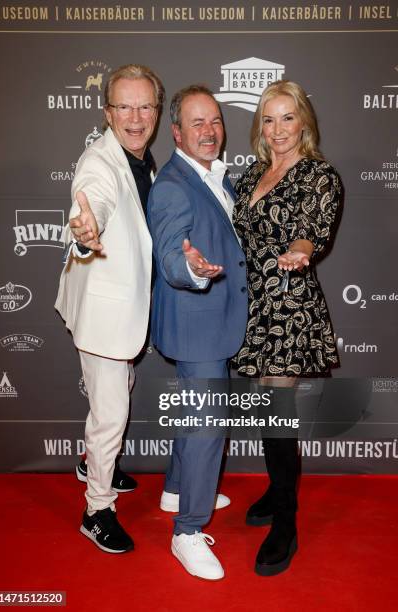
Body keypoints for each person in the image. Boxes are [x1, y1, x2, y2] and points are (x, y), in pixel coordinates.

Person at [232, 80, 341, 576]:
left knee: (276, 413)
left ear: (304, 122)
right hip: (251, 306)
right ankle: (278, 492)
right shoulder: (251, 173)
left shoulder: (320, 176)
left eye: (287, 118)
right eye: (268, 119)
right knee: (266, 411)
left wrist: (300, 250)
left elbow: (309, 232)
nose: (277, 130)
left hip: (289, 306)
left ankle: (286, 524)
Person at [55, 64, 164, 554]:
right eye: (124, 106)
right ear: (107, 112)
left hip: (121, 305)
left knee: (118, 392)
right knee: (111, 413)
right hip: (104, 310)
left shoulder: (143, 158)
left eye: (145, 106)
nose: (136, 117)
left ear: (157, 112)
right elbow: (92, 204)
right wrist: (85, 233)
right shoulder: (100, 162)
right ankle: (97, 508)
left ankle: (93, 462)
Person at [147, 85, 248, 580]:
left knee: (195, 416)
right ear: (177, 133)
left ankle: (175, 490)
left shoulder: (214, 177)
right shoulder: (172, 186)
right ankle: (188, 530)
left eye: (215, 121)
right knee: (208, 425)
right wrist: (193, 270)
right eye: (197, 124)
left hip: (214, 322)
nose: (209, 132)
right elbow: (170, 255)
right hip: (196, 323)